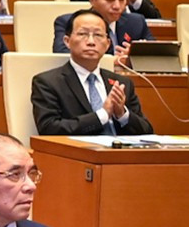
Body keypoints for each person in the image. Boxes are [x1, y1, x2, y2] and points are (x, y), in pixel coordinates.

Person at [33, 8, 152, 137]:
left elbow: (147, 131)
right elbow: (49, 129)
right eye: (83, 34)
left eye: (98, 35)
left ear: (107, 44)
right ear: (67, 41)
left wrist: (122, 114)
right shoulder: (48, 82)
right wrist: (102, 115)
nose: (90, 42)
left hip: (121, 153)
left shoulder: (122, 83)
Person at [52, 0, 152, 53]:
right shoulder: (70, 22)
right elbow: (63, 55)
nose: (117, 6)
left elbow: (154, 53)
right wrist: (111, 61)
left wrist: (135, 56)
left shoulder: (137, 22)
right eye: (110, 0)